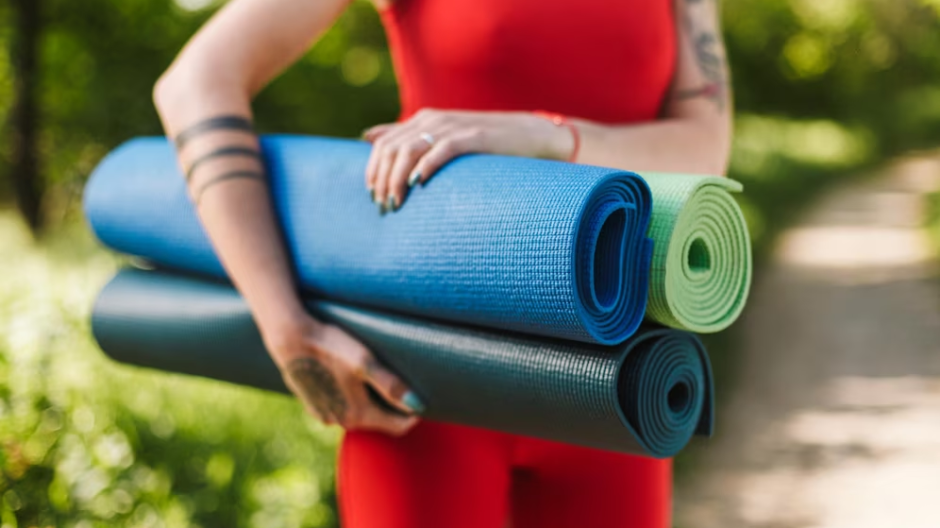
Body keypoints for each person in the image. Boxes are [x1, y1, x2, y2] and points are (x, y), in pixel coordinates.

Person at [153, 0, 731, 525]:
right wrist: (284, 324)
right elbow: (196, 82)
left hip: (615, 382)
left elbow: (706, 151)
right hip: (427, 385)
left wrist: (544, 135)